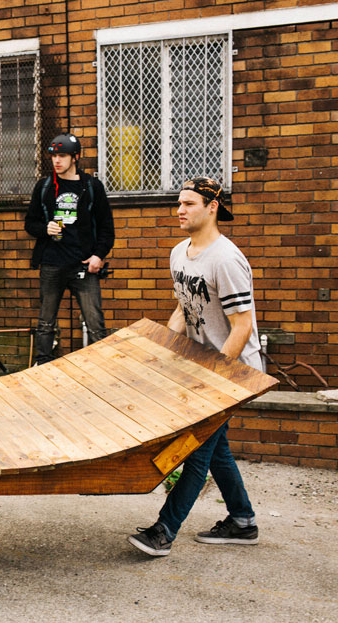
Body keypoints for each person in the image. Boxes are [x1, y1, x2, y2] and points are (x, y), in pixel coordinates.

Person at [128, 177, 261, 557]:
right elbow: (184, 310)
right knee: (217, 451)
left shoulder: (226, 259)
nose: (179, 210)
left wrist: (216, 379)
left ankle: (163, 531)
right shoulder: (179, 253)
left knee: (196, 451)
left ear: (212, 207)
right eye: (179, 203)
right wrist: (164, 352)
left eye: (189, 203)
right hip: (199, 366)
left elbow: (242, 326)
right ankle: (242, 520)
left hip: (232, 372)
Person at [24, 133, 114, 365]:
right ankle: (41, 367)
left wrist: (98, 256)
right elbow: (30, 223)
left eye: (62, 156)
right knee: (45, 323)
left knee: (95, 324)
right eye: (54, 156)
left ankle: (101, 370)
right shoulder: (44, 187)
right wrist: (45, 229)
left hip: (83, 264)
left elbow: (106, 228)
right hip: (52, 263)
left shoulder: (91, 187)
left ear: (76, 157)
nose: (57, 161)